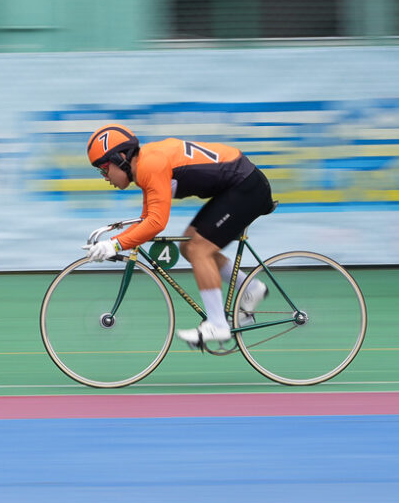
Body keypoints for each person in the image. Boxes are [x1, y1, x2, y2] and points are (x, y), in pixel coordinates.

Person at [83, 125, 275, 348]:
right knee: (189, 247)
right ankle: (250, 289)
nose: (104, 177)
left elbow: (156, 224)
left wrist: (114, 245)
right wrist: (112, 238)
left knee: (198, 249)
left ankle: (218, 325)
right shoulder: (145, 166)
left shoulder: (150, 165)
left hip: (246, 187)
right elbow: (146, 219)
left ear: (121, 158)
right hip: (239, 184)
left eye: (104, 169)